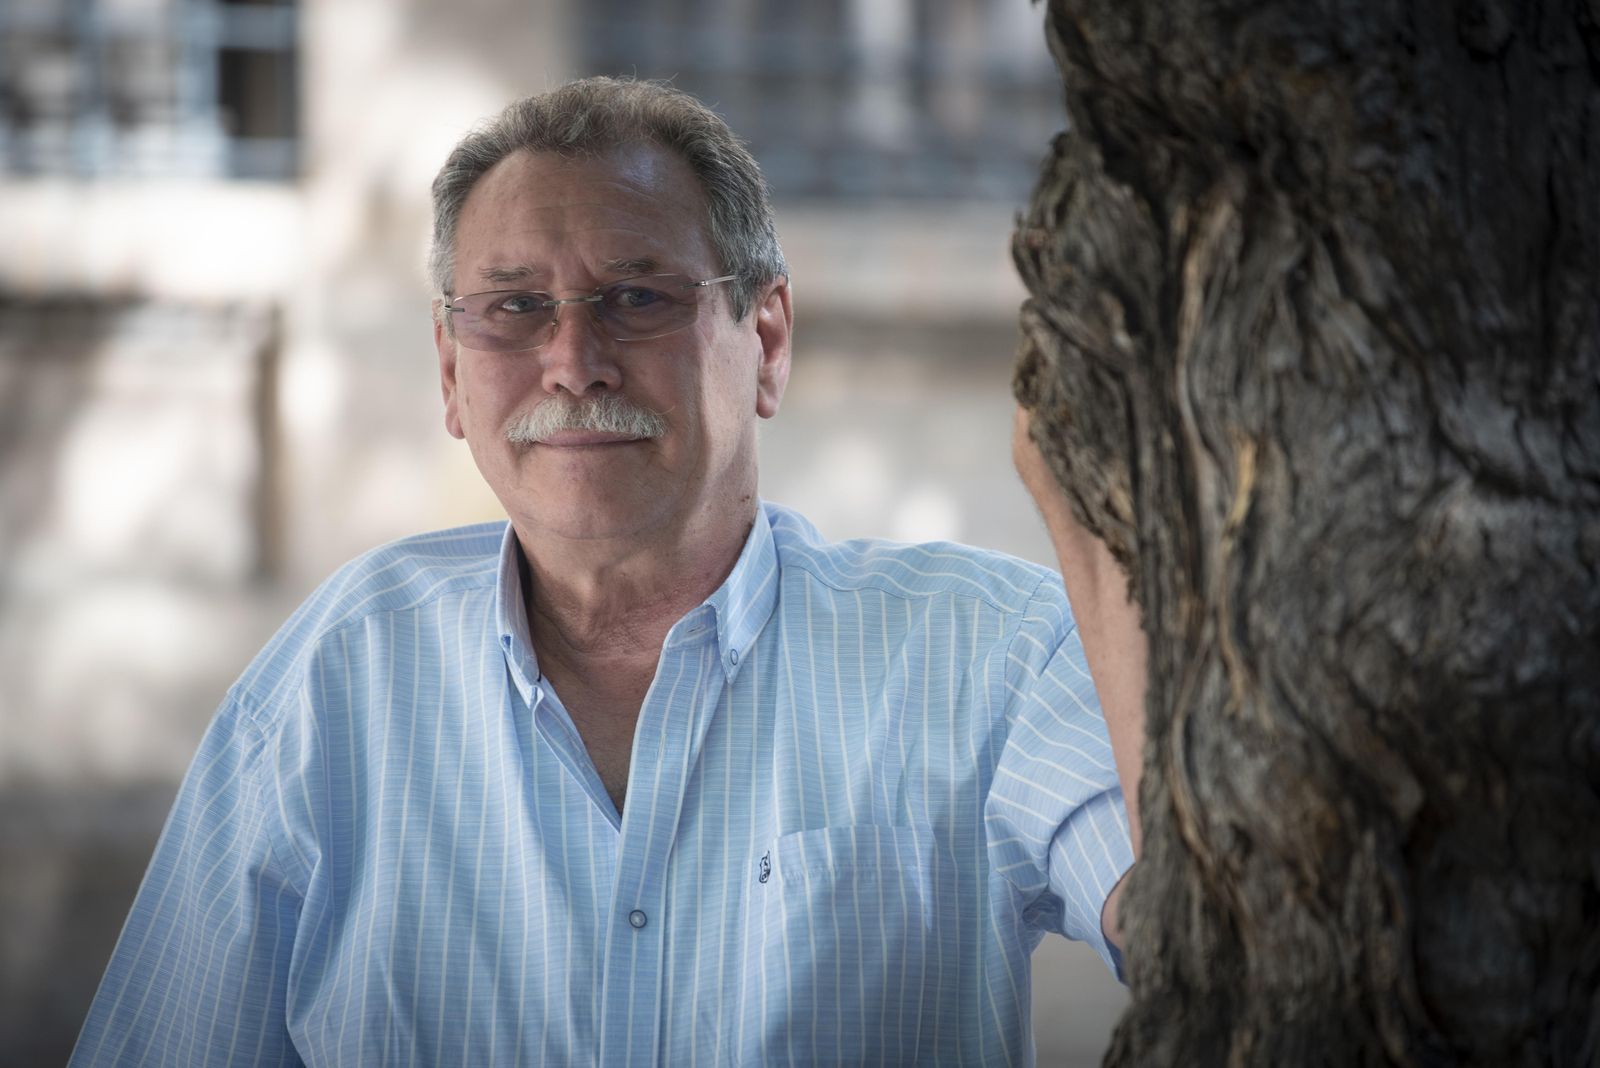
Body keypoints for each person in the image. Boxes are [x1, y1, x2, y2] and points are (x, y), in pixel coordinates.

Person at [71, 77, 1142, 1066]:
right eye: (515, 307)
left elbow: (1195, 930)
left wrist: (1101, 522)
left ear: (764, 339)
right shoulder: (334, 679)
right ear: (451, 376)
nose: (573, 360)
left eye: (637, 299)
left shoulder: (981, 648)